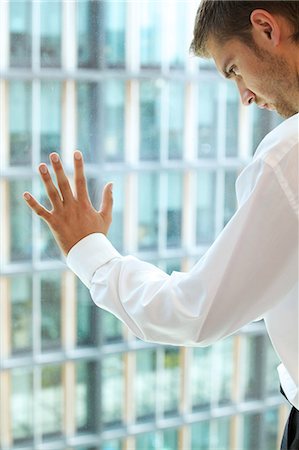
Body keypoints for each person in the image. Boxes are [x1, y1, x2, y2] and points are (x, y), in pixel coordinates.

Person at [23, 1, 298, 448]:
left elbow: (194, 313)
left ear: (266, 28)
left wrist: (90, 252)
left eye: (233, 70)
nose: (245, 97)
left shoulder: (290, 154)